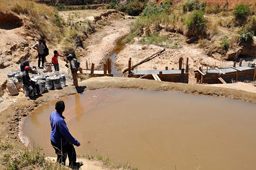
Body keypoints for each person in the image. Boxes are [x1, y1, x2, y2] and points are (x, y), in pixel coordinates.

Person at [50, 101, 83, 169]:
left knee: (68, 151)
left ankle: (71, 164)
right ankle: (64, 167)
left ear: (55, 107)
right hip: (60, 142)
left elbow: (52, 124)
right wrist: (76, 142)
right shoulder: (60, 121)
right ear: (63, 109)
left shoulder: (52, 114)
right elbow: (67, 135)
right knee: (63, 157)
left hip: (54, 139)